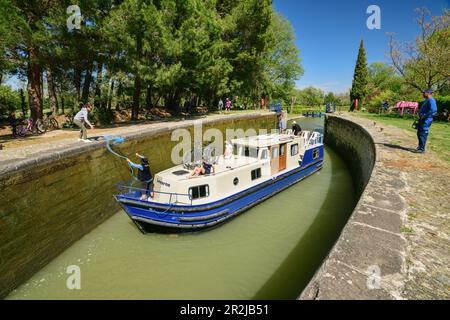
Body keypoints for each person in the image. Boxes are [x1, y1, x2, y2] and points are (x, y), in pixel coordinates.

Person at [414, 89, 437, 154]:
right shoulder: (426, 100)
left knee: (423, 133)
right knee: (419, 133)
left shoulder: (431, 100)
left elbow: (434, 110)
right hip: (422, 119)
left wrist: (424, 115)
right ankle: (420, 146)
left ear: (428, 93)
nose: (423, 94)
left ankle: (422, 149)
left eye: (424, 93)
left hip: (426, 119)